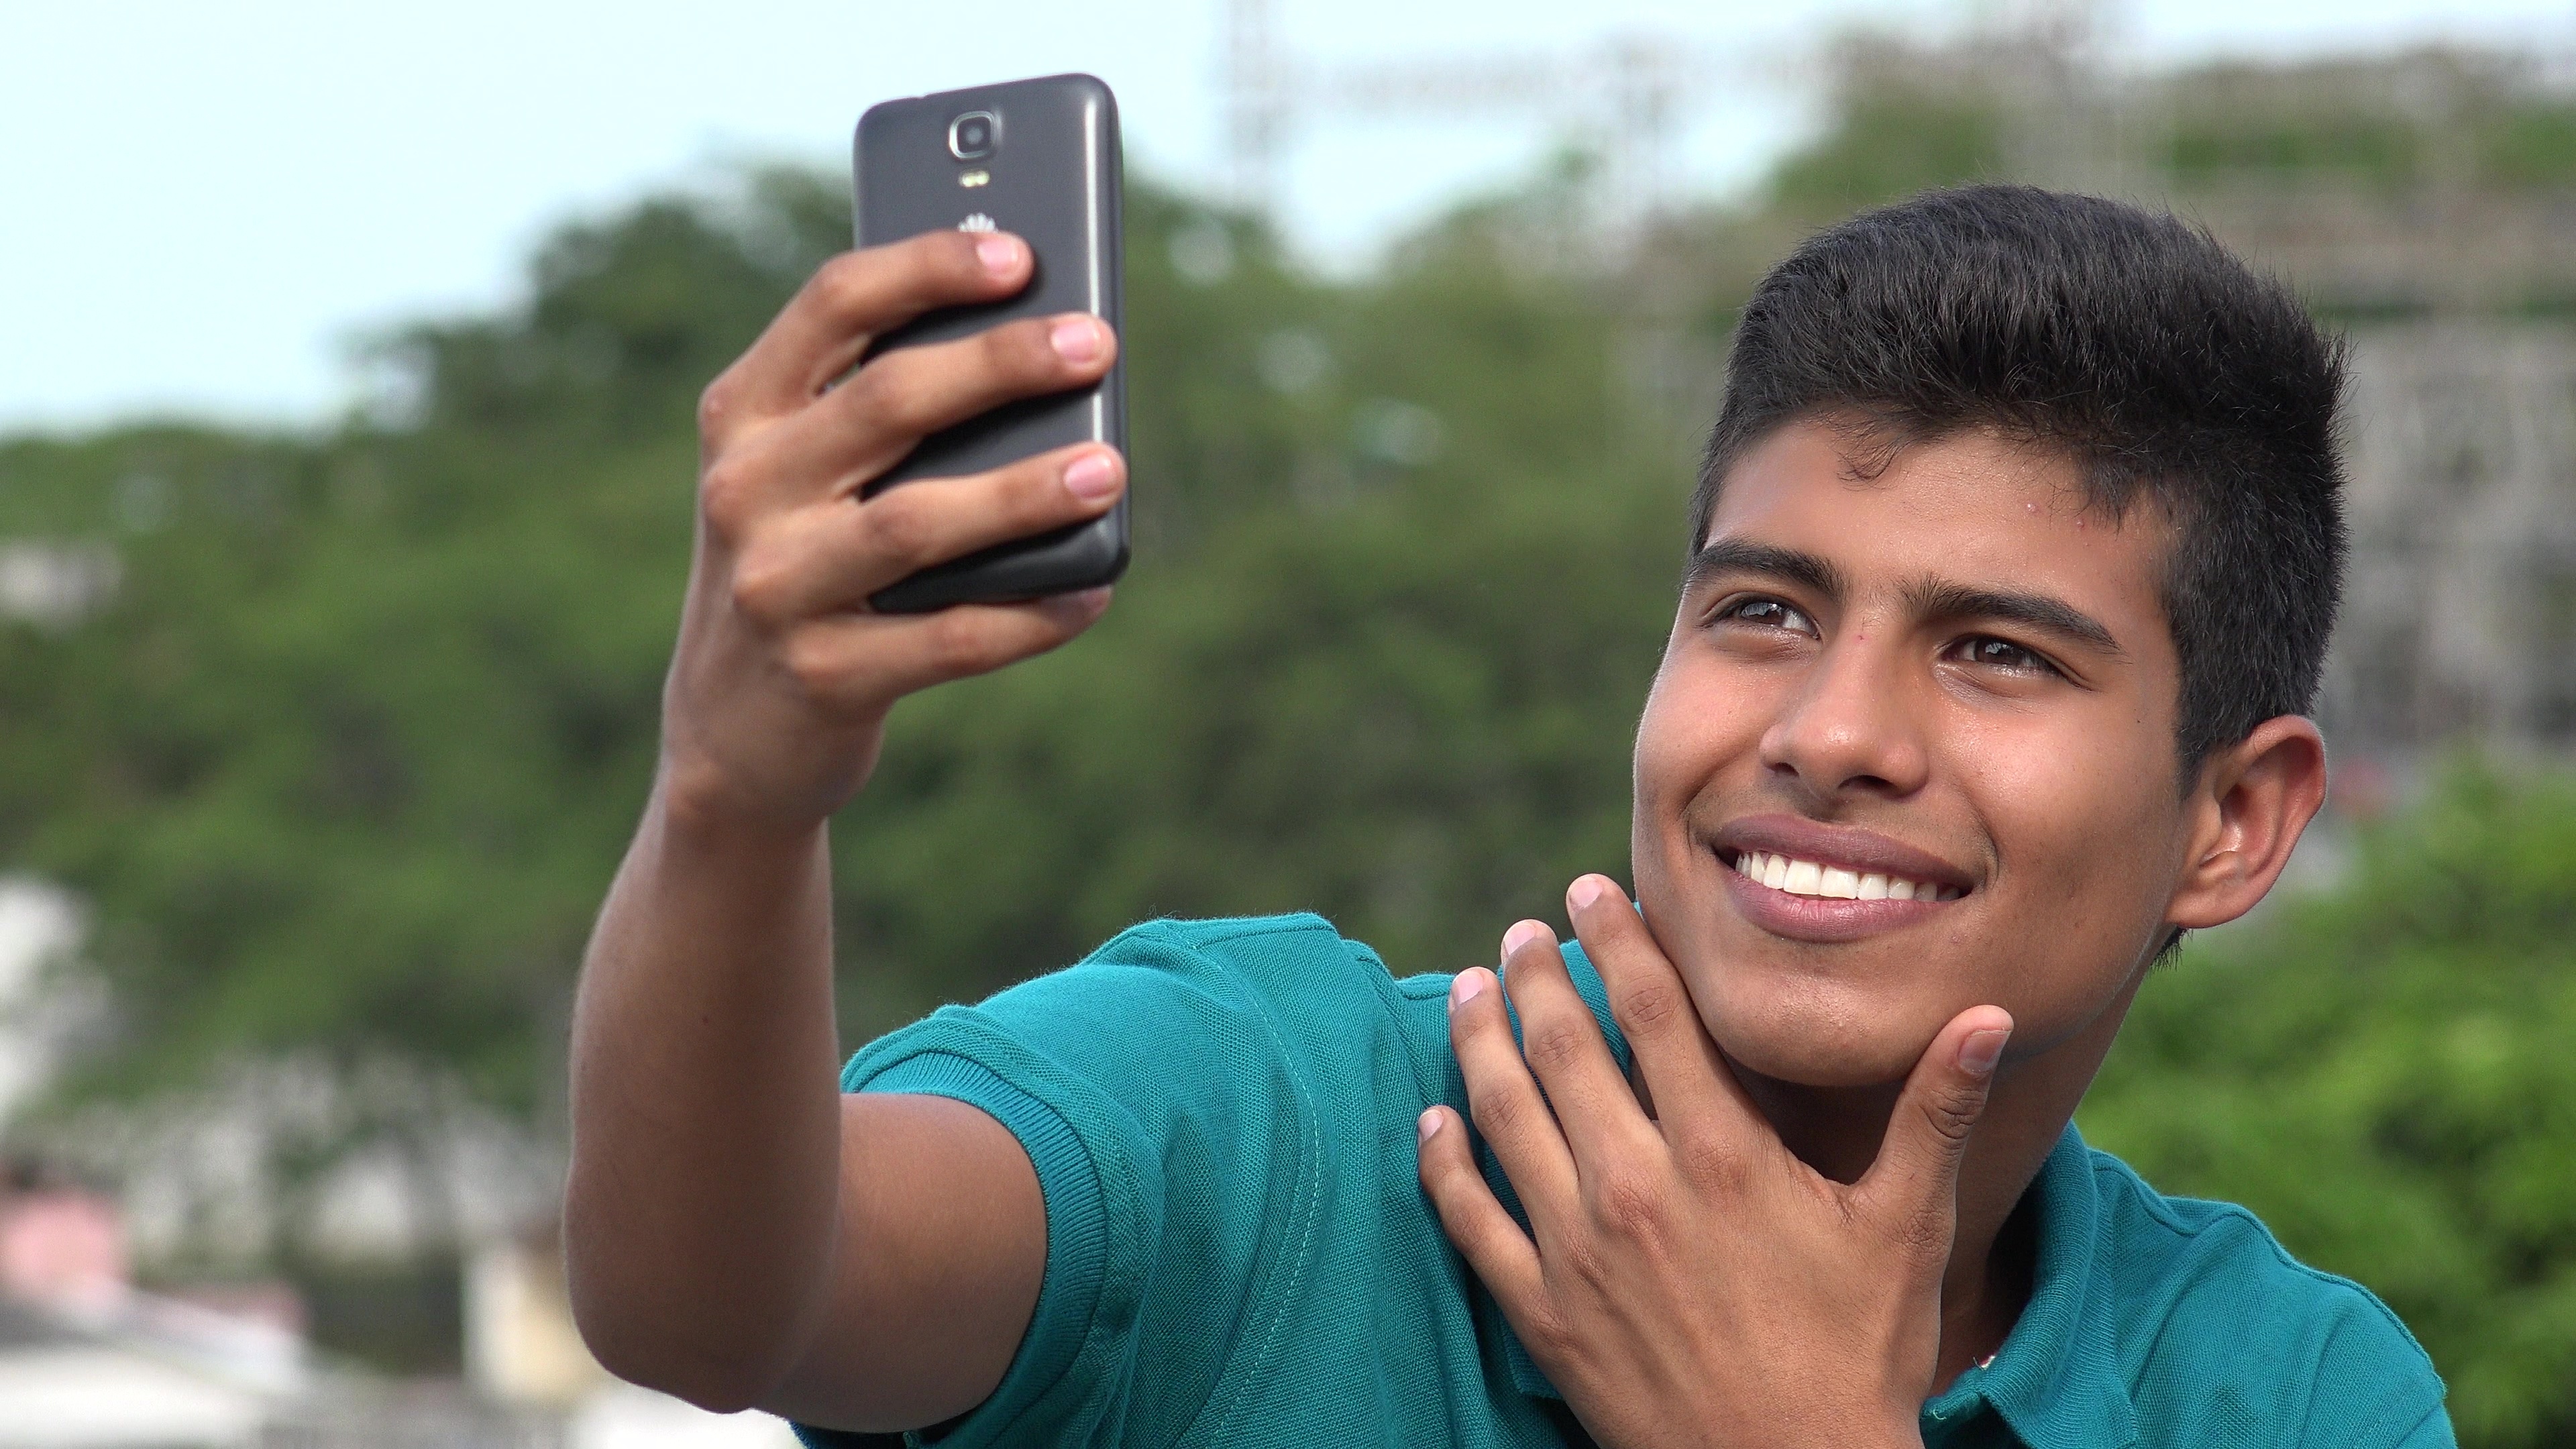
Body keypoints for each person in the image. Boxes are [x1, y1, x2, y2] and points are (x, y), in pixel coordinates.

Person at [561, 184, 2453, 1447]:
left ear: (2235, 819)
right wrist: (735, 795)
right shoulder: (1258, 1120)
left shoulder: (2283, 1391)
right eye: (1764, 611)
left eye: (1999, 656)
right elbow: (713, 1303)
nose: (1831, 730)